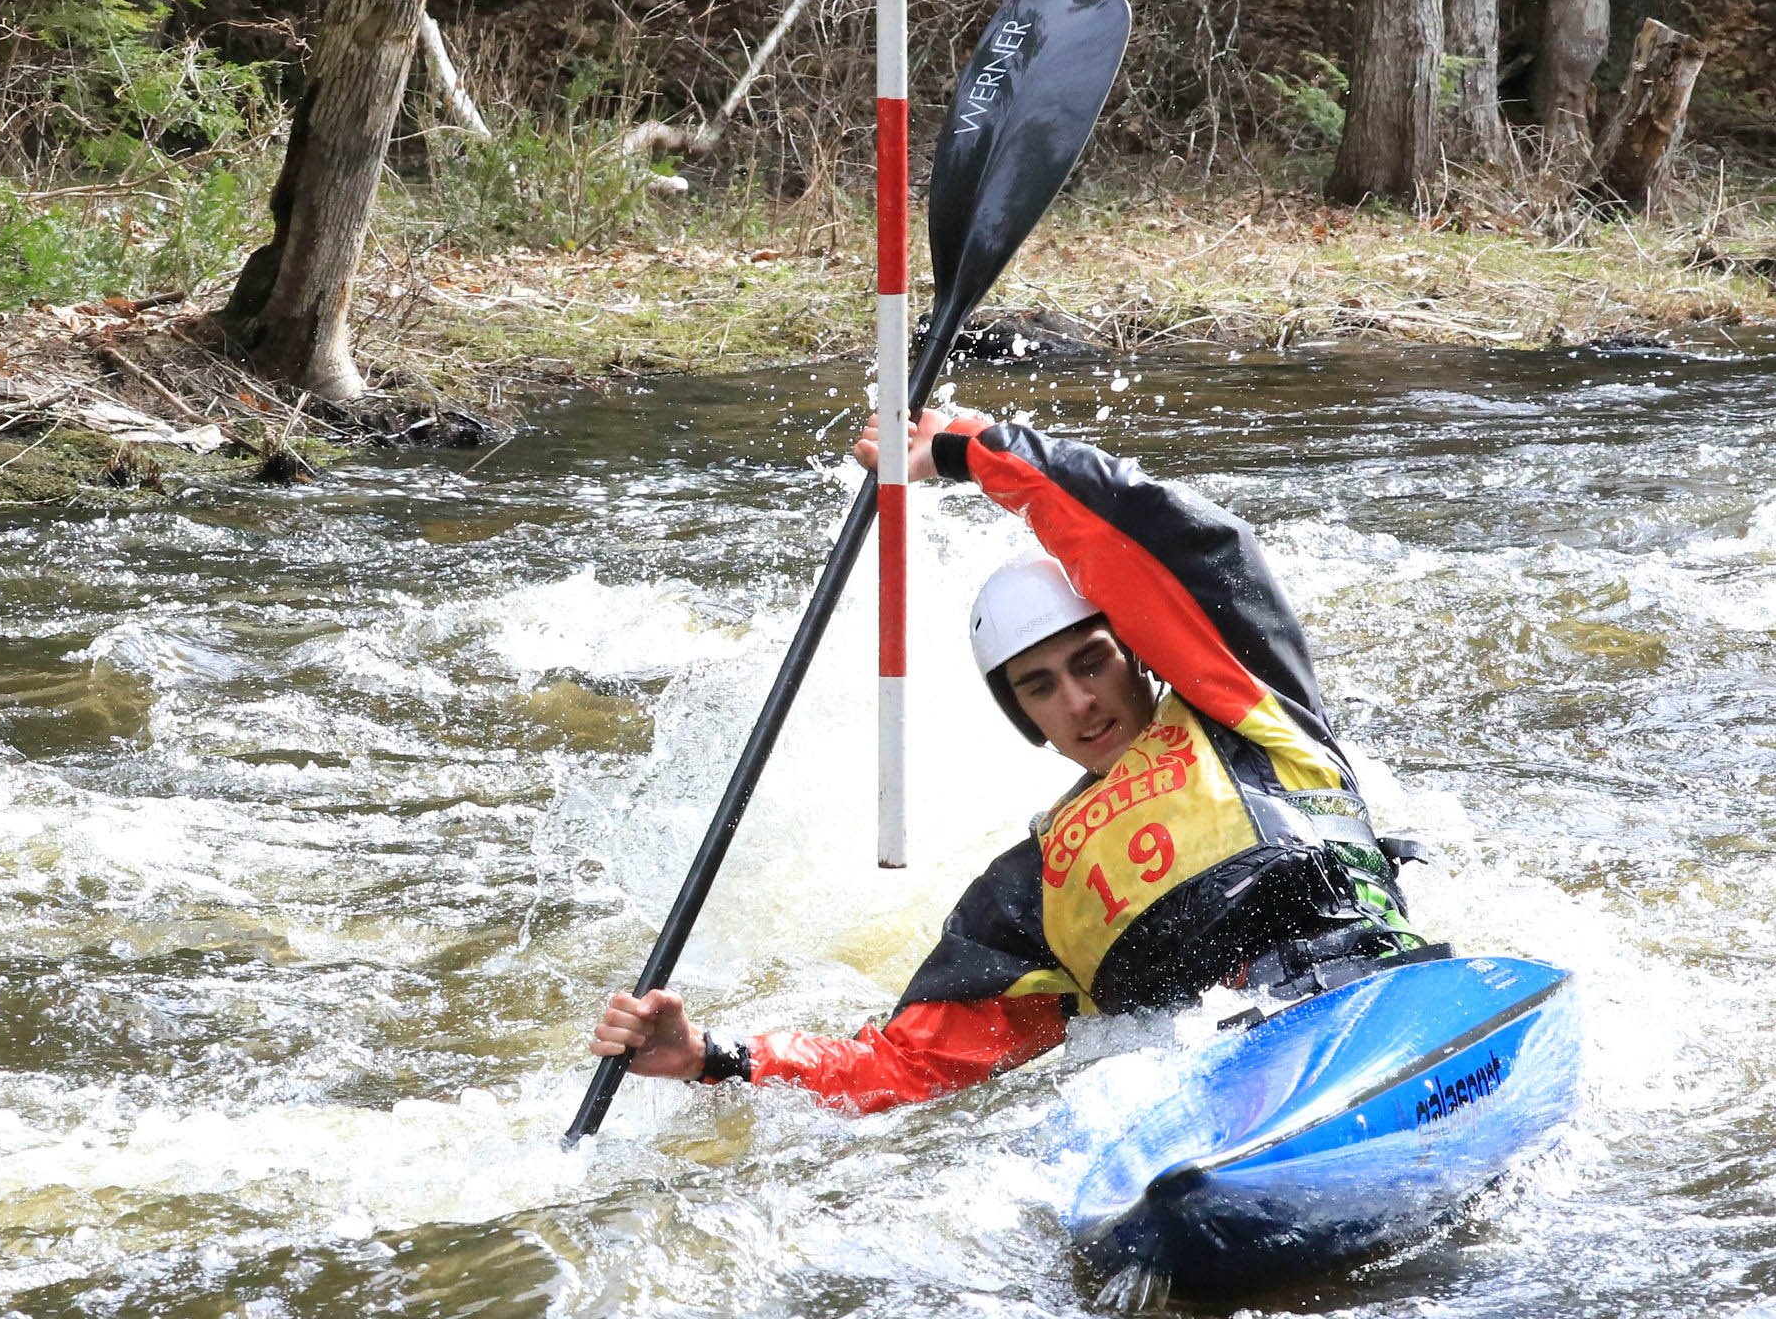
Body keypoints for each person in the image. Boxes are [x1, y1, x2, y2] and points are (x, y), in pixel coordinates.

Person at [589, 409, 1430, 1113]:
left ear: (1136, 655)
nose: (1078, 702)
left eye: (1091, 663)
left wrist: (968, 450)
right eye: (1039, 687)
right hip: (1223, 1088)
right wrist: (710, 1054)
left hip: (1376, 997)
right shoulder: (1027, 890)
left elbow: (1186, 540)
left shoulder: (1246, 710)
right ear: (1022, 714)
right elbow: (903, 1065)